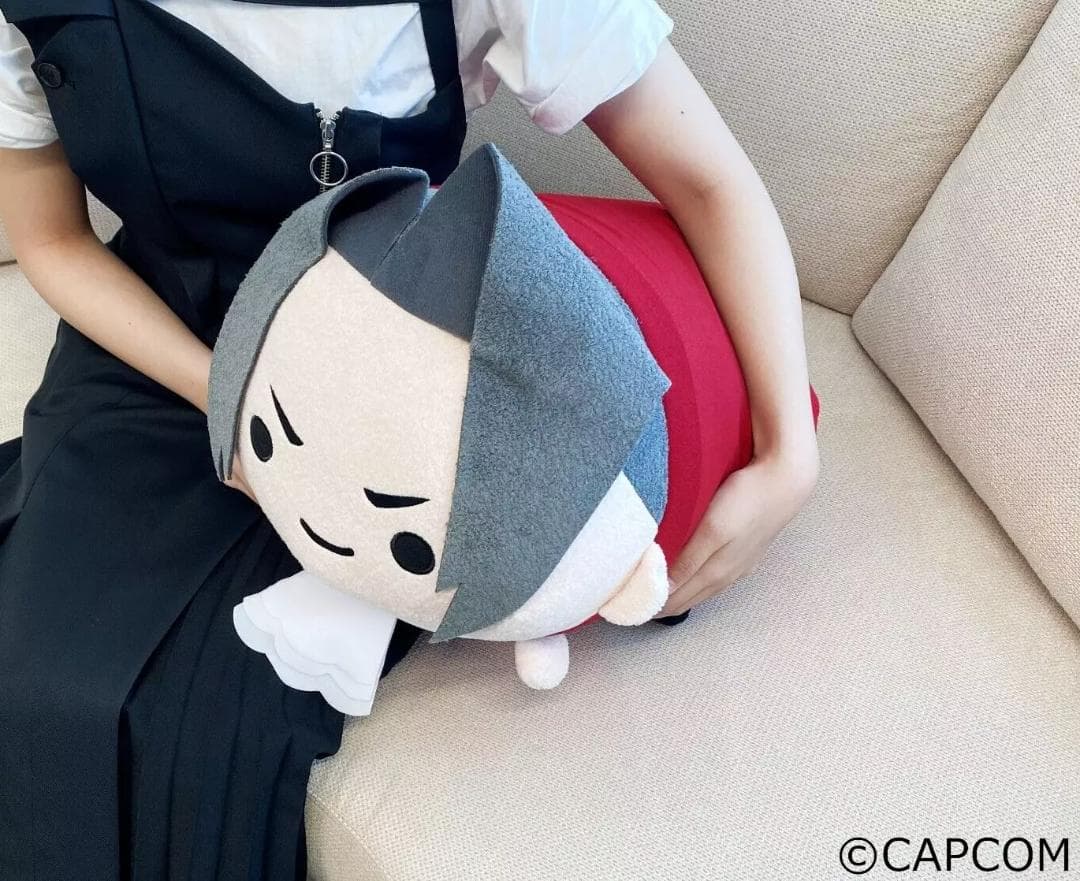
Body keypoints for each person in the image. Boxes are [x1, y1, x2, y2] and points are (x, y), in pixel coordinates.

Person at [0, 1, 819, 878]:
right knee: (38, 682)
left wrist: (788, 455)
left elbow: (707, 182)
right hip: (157, 346)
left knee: (219, 722)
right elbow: (51, 240)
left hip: (391, 382)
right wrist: (233, 397)